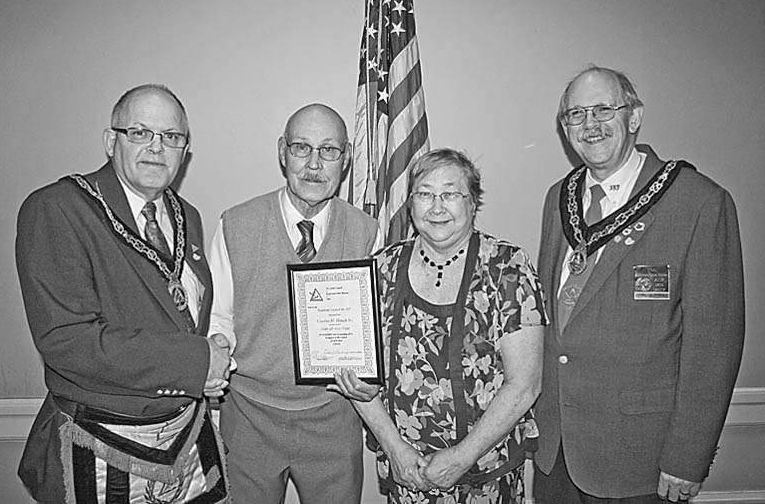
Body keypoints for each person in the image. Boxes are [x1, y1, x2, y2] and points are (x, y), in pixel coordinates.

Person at [533, 65, 745, 503]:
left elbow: (714, 345)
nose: (590, 124)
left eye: (604, 109)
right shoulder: (559, 198)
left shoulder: (698, 202)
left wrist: (688, 457)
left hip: (638, 460)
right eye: (575, 114)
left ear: (634, 116)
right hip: (557, 453)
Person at [15, 84, 232, 503]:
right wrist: (199, 360)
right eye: (140, 132)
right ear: (110, 140)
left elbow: (181, 312)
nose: (157, 147)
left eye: (171, 137)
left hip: (185, 439)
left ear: (185, 151)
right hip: (102, 441)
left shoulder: (188, 216)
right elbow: (68, 341)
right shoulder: (58, 208)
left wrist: (213, 349)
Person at [334, 148, 546, 504]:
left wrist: (460, 459)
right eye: (425, 194)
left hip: (485, 474)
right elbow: (358, 372)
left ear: (473, 203)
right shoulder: (381, 269)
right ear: (410, 203)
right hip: (407, 472)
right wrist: (395, 450)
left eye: (450, 194)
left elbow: (525, 384)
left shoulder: (508, 268)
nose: (436, 206)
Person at [207, 103, 380, 503]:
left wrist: (369, 372)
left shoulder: (367, 233)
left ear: (347, 157)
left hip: (333, 415)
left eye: (329, 150)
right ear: (282, 152)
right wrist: (216, 347)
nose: (315, 165)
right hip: (250, 416)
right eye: (302, 148)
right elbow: (218, 315)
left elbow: (375, 326)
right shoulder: (236, 224)